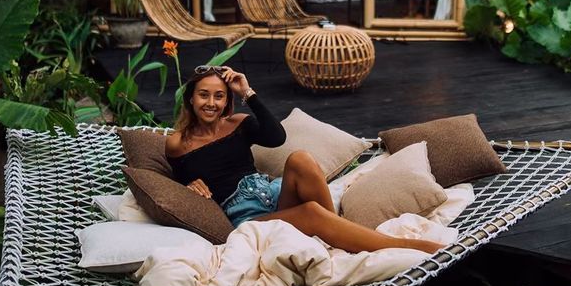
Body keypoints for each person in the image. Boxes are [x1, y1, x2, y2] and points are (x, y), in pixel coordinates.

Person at [165, 65, 443, 255]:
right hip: (247, 215)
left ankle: (337, 233)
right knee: (311, 211)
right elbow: (174, 183)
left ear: (227, 101)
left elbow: (277, 137)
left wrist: (247, 92)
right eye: (203, 95)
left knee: (301, 159)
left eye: (219, 96)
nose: (211, 103)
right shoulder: (177, 143)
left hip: (272, 192)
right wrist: (188, 187)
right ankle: (400, 246)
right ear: (190, 99)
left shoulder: (237, 122)